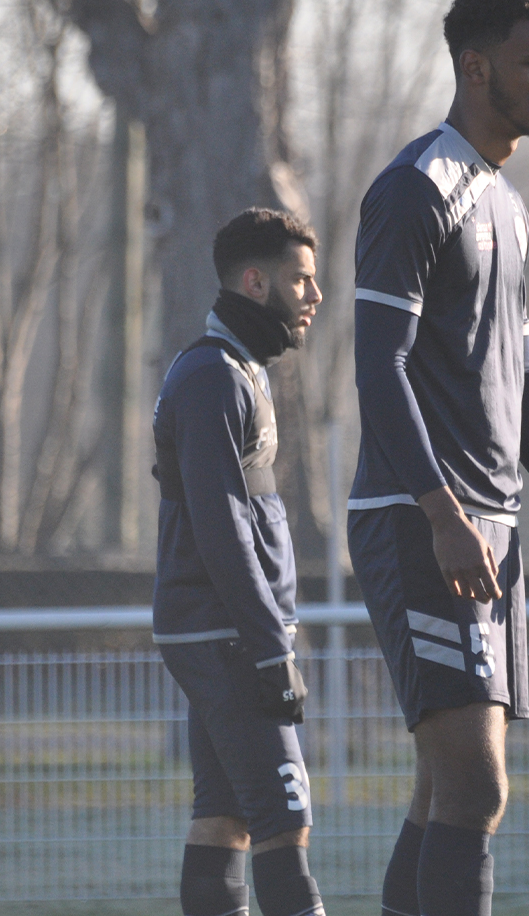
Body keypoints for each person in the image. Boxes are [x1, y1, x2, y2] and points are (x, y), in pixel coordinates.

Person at [346, 0, 529, 916]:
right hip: (420, 520)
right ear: (475, 66)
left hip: (493, 529)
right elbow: (377, 368)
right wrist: (441, 513)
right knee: (477, 789)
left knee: (446, 793)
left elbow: (520, 375)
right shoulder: (413, 190)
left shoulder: (504, 203)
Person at [151, 208, 327, 916]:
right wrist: (267, 648)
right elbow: (222, 528)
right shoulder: (212, 378)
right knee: (287, 820)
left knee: (226, 818)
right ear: (255, 282)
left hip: (224, 633)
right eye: (300, 279)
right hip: (227, 636)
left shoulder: (236, 371)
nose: (314, 295)